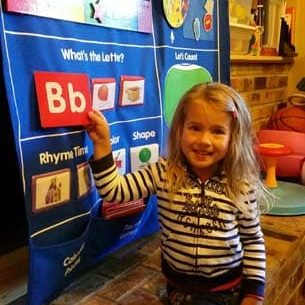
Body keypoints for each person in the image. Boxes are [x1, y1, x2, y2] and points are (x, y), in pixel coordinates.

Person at [85, 82, 269, 305]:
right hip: (178, 288)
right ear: (180, 129)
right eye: (195, 128)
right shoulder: (164, 172)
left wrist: (253, 294)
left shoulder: (240, 184)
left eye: (218, 131)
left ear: (234, 137)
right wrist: (103, 144)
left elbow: (252, 240)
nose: (204, 140)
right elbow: (113, 191)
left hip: (226, 291)